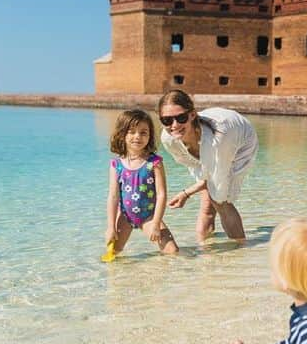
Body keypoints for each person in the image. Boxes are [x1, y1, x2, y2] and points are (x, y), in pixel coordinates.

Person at [157, 90, 258, 243]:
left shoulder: (218, 139)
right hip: (212, 139)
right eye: (167, 121)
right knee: (207, 202)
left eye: (181, 117)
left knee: (220, 201)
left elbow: (217, 178)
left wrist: (186, 193)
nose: (174, 125)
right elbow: (200, 170)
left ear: (192, 115)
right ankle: (204, 249)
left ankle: (240, 249)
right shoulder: (168, 139)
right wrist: (191, 191)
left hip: (241, 140)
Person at [105, 108, 178, 255]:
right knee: (113, 254)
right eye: (132, 132)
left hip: (149, 216)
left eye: (143, 132)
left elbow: (162, 194)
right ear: (122, 134)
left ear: (150, 136)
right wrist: (111, 226)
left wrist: (156, 223)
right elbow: (113, 197)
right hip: (125, 217)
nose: (137, 136)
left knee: (173, 251)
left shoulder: (154, 162)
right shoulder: (116, 165)